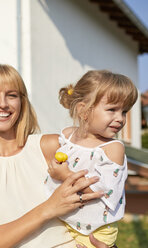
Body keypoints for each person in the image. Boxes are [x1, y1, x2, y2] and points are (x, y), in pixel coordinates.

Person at [0, 64, 109, 248]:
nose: (3, 103)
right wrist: (49, 208)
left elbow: (103, 197)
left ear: (22, 102)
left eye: (11, 95)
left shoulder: (50, 146)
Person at [44, 70, 138, 247]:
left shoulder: (112, 149)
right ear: (83, 110)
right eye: (112, 110)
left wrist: (66, 175)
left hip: (94, 231)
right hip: (64, 219)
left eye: (124, 111)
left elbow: (102, 193)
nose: (120, 118)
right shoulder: (67, 136)